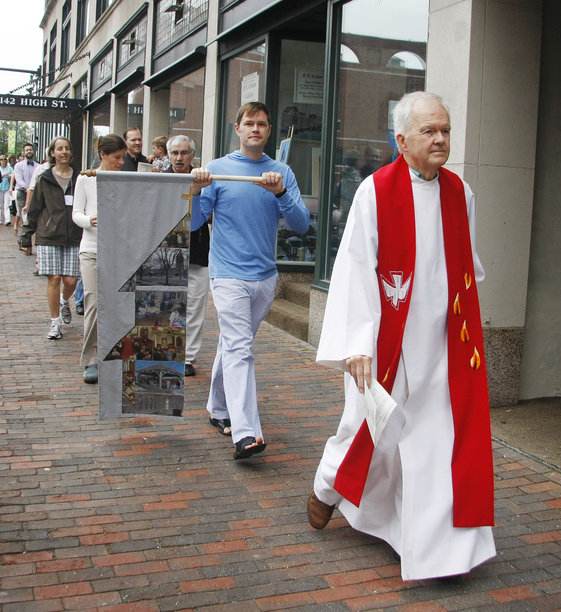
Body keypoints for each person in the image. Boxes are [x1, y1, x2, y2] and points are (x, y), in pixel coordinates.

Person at [307, 92, 495, 581]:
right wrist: (357, 345)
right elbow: (354, 270)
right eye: (430, 131)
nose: (440, 140)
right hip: (387, 344)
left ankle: (440, 553)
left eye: (446, 130)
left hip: (442, 348)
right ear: (402, 139)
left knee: (437, 444)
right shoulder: (376, 191)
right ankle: (327, 486)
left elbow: (467, 269)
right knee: (370, 432)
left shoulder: (461, 193)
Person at [191, 101, 310, 460]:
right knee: (241, 348)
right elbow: (195, 223)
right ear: (238, 128)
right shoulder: (218, 170)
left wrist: (281, 194)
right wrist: (196, 190)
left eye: (261, 123)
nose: (255, 128)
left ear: (268, 131)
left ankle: (217, 406)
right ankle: (246, 433)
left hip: (265, 278)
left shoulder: (281, 173)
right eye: (249, 123)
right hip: (227, 275)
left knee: (234, 344)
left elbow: (302, 225)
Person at [72, 134, 127, 383]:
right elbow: (76, 213)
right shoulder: (85, 178)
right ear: (103, 155)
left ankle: (114, 354)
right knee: (94, 303)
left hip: (118, 250)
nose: (121, 162)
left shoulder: (126, 178)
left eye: (123, 158)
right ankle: (91, 360)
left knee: (116, 304)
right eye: (117, 157)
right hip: (91, 249)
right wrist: (89, 221)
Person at [22, 136, 81, 340]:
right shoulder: (45, 178)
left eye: (67, 148)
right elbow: (35, 208)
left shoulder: (79, 178)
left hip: (74, 235)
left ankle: (65, 301)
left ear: (70, 152)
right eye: (59, 149)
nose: (64, 152)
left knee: (71, 280)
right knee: (54, 278)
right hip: (48, 235)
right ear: (52, 153)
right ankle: (55, 323)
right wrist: (26, 234)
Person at [164, 135, 209, 378]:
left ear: (192, 155)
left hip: (198, 253)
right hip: (167, 253)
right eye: (175, 153)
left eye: (184, 153)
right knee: (170, 306)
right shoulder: (160, 181)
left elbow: (208, 213)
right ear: (168, 155)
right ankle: (169, 350)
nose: (179, 157)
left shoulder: (203, 179)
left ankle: (188, 357)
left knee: (194, 308)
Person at [13, 143, 38, 248]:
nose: (29, 152)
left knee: (32, 218)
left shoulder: (38, 166)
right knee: (24, 216)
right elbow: (18, 179)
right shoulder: (18, 166)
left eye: (31, 150)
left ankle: (22, 239)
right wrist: (26, 188)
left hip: (33, 193)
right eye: (27, 150)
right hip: (22, 193)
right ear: (24, 152)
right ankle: (26, 242)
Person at [0, 154, 13, 226]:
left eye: (4, 159)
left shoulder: (9, 168)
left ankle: (7, 220)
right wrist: (5, 174)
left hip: (7, 187)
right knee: (0, 205)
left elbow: (13, 175)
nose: (3, 161)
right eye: (2, 159)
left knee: (6, 204)